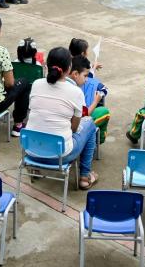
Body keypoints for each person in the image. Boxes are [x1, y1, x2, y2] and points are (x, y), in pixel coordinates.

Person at [27, 47, 98, 189]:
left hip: (30, 151)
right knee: (89, 124)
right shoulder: (75, 92)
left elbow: (34, 114)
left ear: (46, 65)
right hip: (60, 156)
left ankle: (33, 169)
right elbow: (74, 128)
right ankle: (84, 176)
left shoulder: (36, 84)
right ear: (69, 68)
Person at [70, 56, 110, 144]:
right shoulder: (77, 92)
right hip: (71, 134)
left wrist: (92, 69)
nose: (86, 80)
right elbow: (84, 115)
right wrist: (96, 101)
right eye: (85, 76)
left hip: (51, 135)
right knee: (104, 112)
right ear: (75, 74)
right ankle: (99, 140)